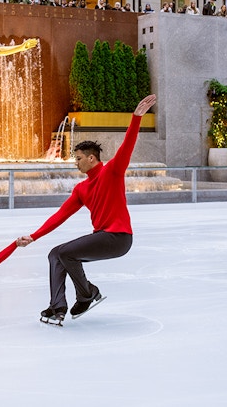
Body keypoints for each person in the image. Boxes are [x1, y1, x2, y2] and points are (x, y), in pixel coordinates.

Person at [17, 94, 157, 325]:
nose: (76, 162)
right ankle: (58, 306)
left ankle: (87, 293)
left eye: (79, 158)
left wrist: (136, 118)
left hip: (119, 237)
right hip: (102, 238)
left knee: (65, 252)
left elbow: (127, 146)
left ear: (92, 158)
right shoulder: (82, 189)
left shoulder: (112, 171)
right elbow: (59, 216)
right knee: (55, 254)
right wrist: (34, 236)